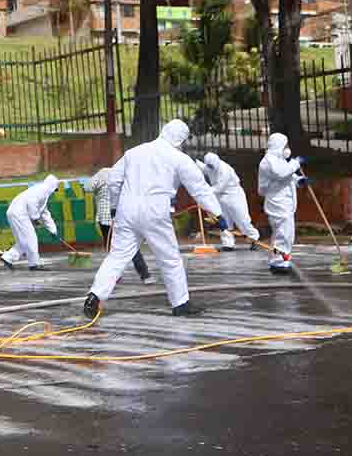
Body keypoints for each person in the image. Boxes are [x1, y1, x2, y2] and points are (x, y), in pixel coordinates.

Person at [84, 119, 227, 319]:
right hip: (155, 211)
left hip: (127, 210)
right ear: (180, 140)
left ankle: (95, 296)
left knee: (117, 256)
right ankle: (180, 304)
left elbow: (114, 180)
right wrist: (217, 213)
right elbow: (200, 188)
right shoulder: (179, 158)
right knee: (170, 259)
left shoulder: (134, 152)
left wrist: (115, 207)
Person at [90, 167, 152, 284]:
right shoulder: (124, 177)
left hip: (106, 218)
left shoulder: (101, 175)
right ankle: (145, 275)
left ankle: (114, 276)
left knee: (111, 248)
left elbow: (88, 187)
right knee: (131, 246)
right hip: (123, 216)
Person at [257, 133, 306, 275]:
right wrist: (296, 163)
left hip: (284, 202)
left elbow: (288, 176)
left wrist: (298, 180)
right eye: (285, 146)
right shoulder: (268, 161)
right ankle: (279, 262)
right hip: (277, 203)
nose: (287, 148)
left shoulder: (279, 160)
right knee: (283, 232)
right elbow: (281, 173)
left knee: (286, 232)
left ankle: (280, 260)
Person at [0, 174, 61, 271]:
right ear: (52, 186)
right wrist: (35, 217)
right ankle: (34, 264)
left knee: (23, 241)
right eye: (55, 189)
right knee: (31, 239)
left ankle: (8, 258)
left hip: (14, 212)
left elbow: (45, 213)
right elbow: (32, 202)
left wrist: (53, 230)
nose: (54, 192)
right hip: (19, 214)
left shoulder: (42, 191)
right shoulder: (42, 190)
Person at [202, 152, 260, 251]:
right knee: (224, 221)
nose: (210, 168)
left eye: (211, 165)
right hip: (220, 197)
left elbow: (220, 187)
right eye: (208, 166)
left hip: (233, 194)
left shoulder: (225, 169)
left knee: (242, 219)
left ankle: (254, 239)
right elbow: (202, 168)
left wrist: (205, 191)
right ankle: (228, 244)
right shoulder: (209, 167)